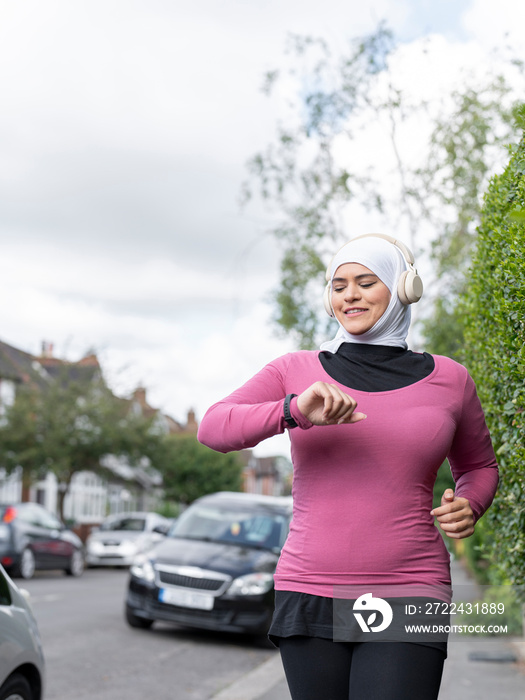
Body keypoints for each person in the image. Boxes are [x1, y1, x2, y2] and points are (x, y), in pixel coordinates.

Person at [197, 233, 499, 700]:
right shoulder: (294, 371)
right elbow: (214, 428)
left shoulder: (450, 378)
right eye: (339, 286)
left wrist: (471, 502)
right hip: (310, 584)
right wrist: (293, 409)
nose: (350, 295)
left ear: (404, 288)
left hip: (410, 586)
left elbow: (480, 465)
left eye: (365, 282)